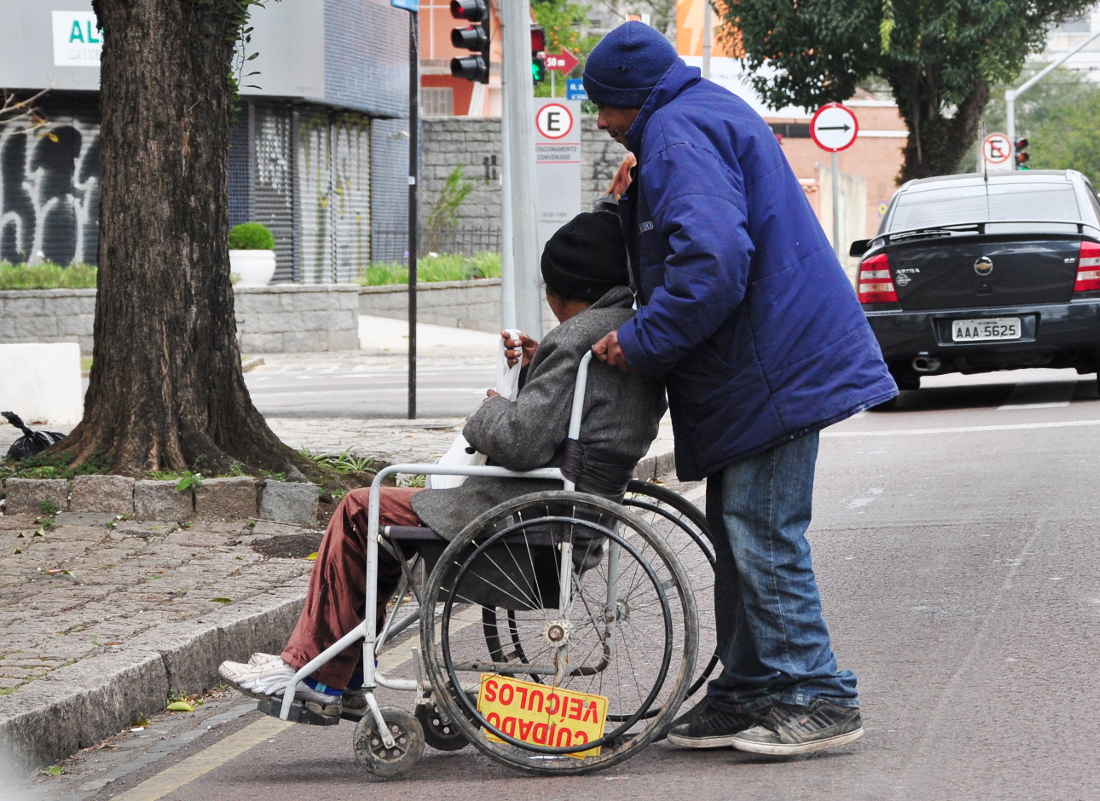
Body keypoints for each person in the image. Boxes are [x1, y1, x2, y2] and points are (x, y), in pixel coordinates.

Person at [583, 22, 897, 756]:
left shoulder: (676, 134)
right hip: (761, 365)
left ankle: (818, 693)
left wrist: (639, 340)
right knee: (738, 531)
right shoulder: (692, 120)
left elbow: (714, 263)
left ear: (632, 98)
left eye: (604, 107)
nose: (600, 122)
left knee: (762, 531)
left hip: (773, 369)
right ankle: (750, 687)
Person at [219, 211, 667, 721]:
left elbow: (521, 442)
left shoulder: (577, 339)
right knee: (382, 513)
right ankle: (339, 668)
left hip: (523, 528)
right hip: (571, 521)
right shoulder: (630, 332)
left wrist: (490, 407)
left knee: (360, 508)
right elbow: (573, 414)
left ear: (562, 291)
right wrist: (537, 363)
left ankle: (316, 671)